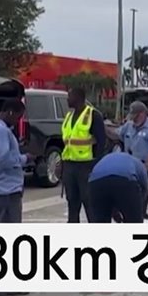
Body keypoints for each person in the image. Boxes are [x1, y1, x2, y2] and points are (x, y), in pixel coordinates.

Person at [60, 87, 107, 223]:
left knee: (89, 202)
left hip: (86, 165)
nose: (68, 99)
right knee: (72, 202)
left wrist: (95, 165)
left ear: (78, 97)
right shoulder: (69, 116)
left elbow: (101, 141)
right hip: (69, 164)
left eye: (70, 96)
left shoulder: (93, 115)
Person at [0, 99, 33, 224]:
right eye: (18, 117)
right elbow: (1, 159)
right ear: (10, 112)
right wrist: (24, 159)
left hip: (4, 190)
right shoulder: (1, 131)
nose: (18, 122)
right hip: (6, 191)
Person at [88, 151, 148, 223]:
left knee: (100, 221)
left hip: (95, 183)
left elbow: (108, 189)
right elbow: (145, 187)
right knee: (134, 221)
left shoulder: (106, 158)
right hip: (124, 181)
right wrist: (137, 208)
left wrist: (114, 212)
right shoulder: (137, 162)